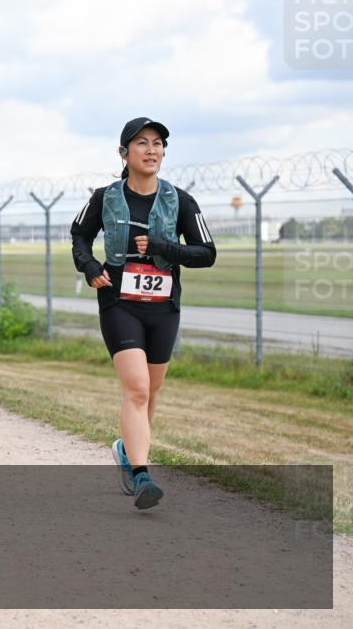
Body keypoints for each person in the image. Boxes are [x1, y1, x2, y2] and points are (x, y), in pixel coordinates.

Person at [71, 117, 216, 509]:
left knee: (151, 391)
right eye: (142, 143)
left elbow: (206, 253)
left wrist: (162, 246)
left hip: (164, 306)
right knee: (136, 388)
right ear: (124, 153)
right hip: (119, 302)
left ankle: (126, 449)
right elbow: (80, 235)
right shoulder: (104, 198)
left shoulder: (180, 201)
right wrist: (89, 266)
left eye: (158, 144)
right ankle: (141, 476)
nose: (152, 150)